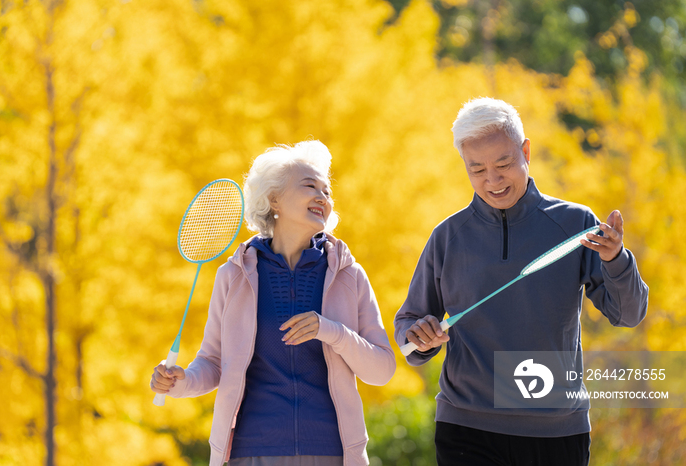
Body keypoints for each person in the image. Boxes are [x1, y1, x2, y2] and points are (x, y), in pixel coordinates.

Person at [394, 98, 648, 466]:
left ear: (526, 150)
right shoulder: (448, 237)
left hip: (557, 430)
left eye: (503, 164)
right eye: (476, 169)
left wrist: (615, 259)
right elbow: (410, 325)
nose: (492, 181)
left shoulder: (575, 225)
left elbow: (629, 314)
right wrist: (420, 337)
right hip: (467, 428)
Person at [151, 140, 396, 466]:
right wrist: (180, 382)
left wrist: (331, 331)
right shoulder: (234, 276)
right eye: (311, 186)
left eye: (327, 191)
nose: (323, 197)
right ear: (274, 199)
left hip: (330, 453)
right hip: (252, 452)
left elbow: (382, 370)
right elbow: (212, 362)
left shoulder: (348, 275)